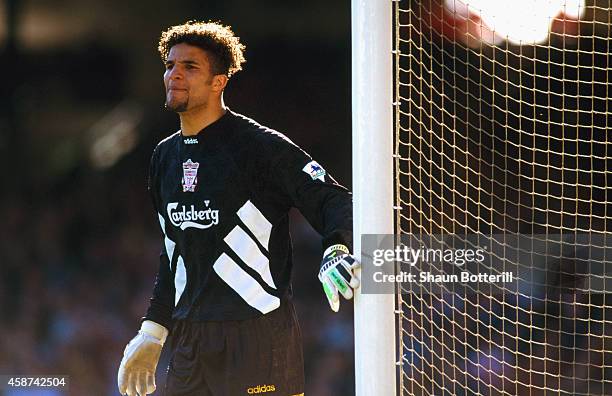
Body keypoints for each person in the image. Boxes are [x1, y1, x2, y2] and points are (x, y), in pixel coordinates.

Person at [117, 21, 359, 396]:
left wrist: (337, 247)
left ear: (219, 81)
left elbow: (334, 198)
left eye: (189, 67)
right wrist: (153, 331)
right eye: (169, 65)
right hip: (189, 343)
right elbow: (174, 254)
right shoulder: (163, 157)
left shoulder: (260, 148)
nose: (174, 74)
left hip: (259, 338)